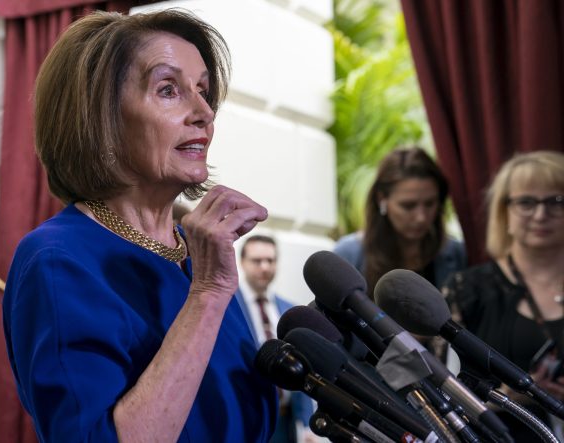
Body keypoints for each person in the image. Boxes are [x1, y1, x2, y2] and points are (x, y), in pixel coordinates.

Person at [2, 9, 276, 443]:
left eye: (203, 91)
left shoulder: (195, 248)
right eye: (169, 89)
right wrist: (206, 295)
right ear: (101, 117)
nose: (204, 112)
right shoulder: (57, 260)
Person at [442, 150, 564, 440]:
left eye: (556, 201)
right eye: (526, 202)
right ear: (503, 212)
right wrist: (513, 394)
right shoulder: (467, 290)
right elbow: (438, 393)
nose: (540, 214)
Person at [334, 147, 465, 294]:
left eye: (429, 204)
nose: (421, 217)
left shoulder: (457, 254)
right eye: (408, 206)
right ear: (382, 199)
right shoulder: (349, 254)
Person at [233, 235, 317, 443]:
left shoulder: (288, 309)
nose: (264, 267)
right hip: (246, 415)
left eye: (270, 260)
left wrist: (306, 424)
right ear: (243, 262)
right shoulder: (228, 305)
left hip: (284, 419)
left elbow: (302, 366)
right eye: (257, 260)